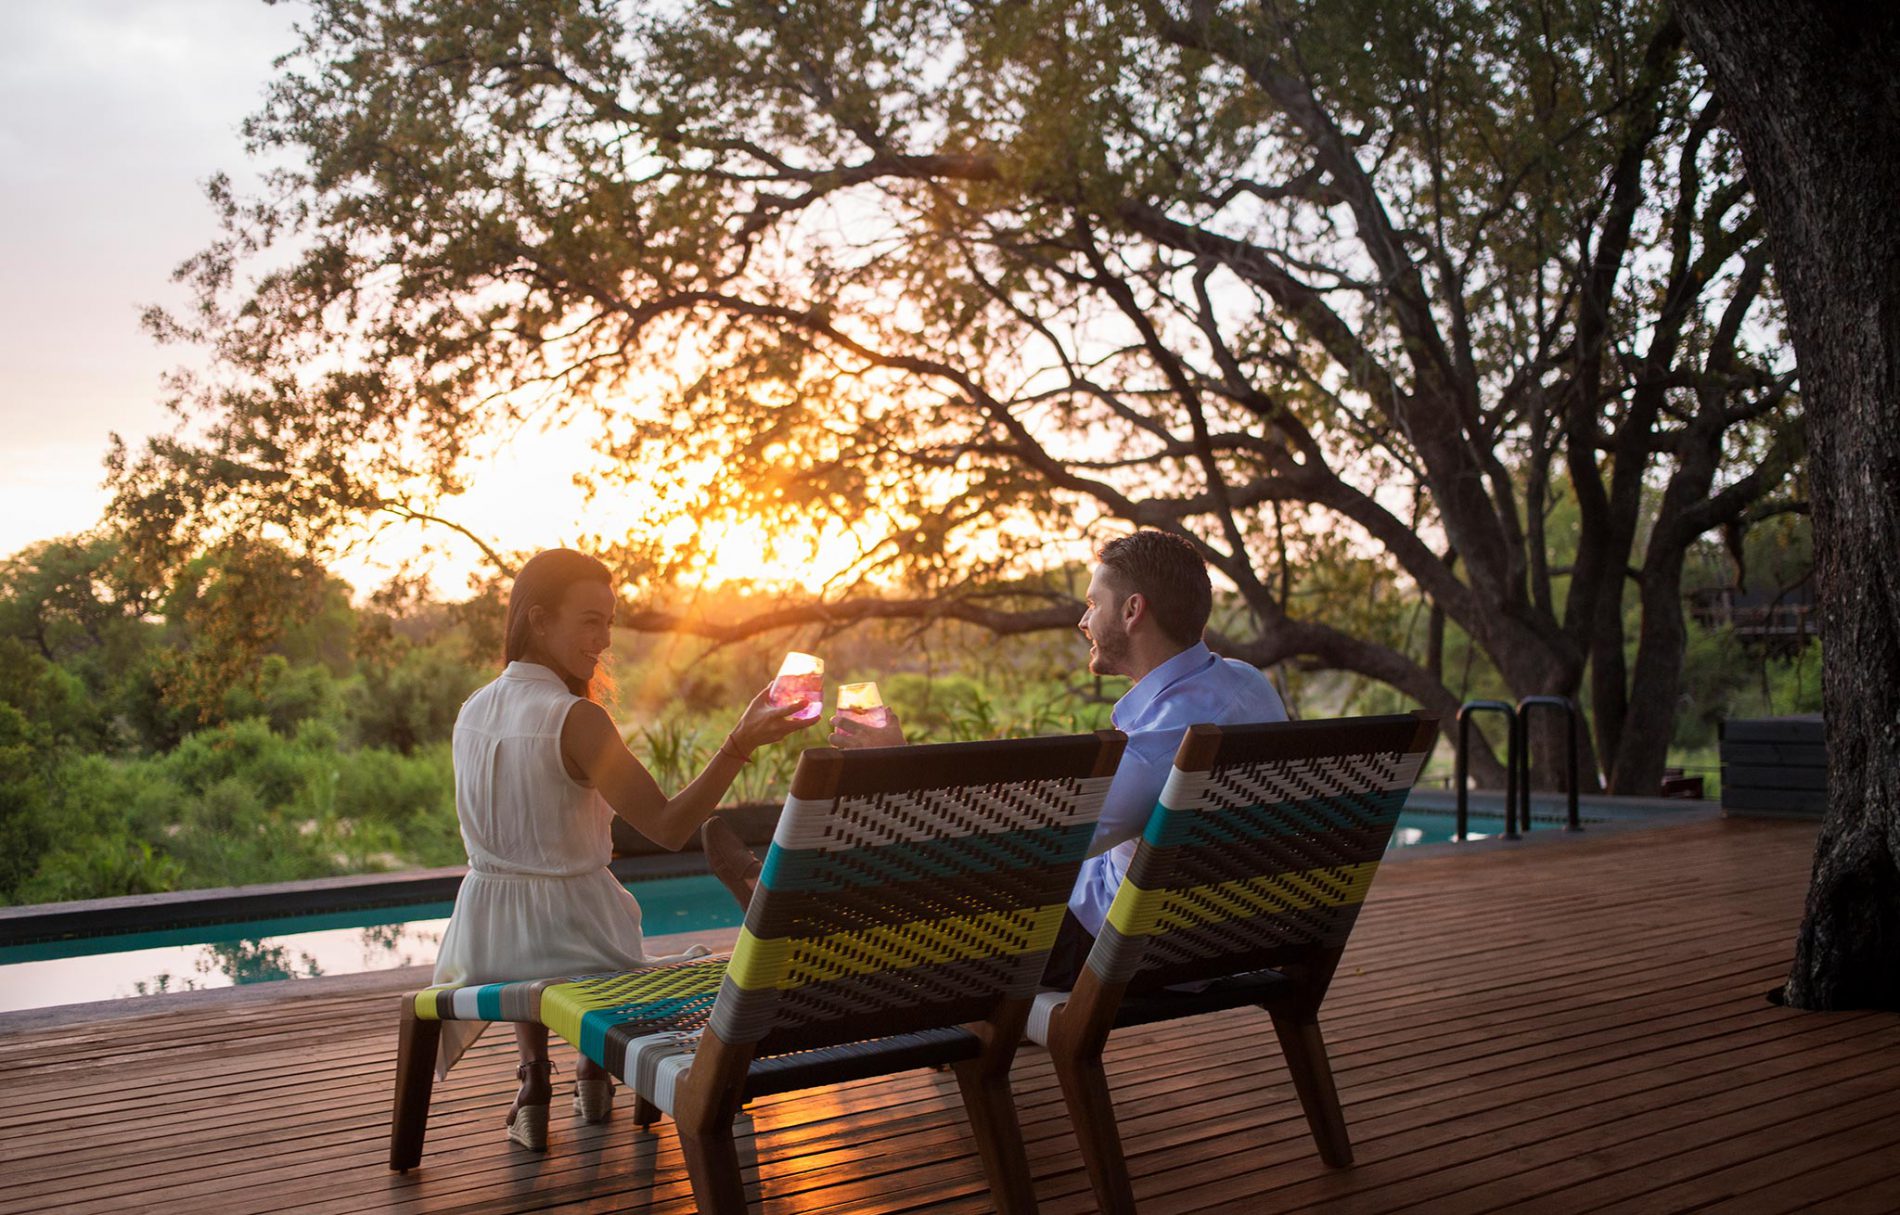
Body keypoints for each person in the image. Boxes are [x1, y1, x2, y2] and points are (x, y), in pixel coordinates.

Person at [701, 530, 1287, 983]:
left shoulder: (1169, 739)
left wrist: (902, 770)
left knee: (950, 869)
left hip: (1120, 948)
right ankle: (786, 906)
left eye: (1093, 604)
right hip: (1224, 931)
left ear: (1132, 612)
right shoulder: (1244, 684)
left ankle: (783, 918)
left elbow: (1032, 841)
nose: (1084, 620)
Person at [432, 548, 814, 1152]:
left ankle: (535, 1080)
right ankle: (595, 1066)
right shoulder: (575, 718)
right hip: (579, 942)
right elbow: (666, 825)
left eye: (609, 622)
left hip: (483, 939)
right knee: (687, 960)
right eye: (589, 621)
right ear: (537, 619)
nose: (604, 640)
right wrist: (738, 742)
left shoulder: (472, 710)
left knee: (530, 905)